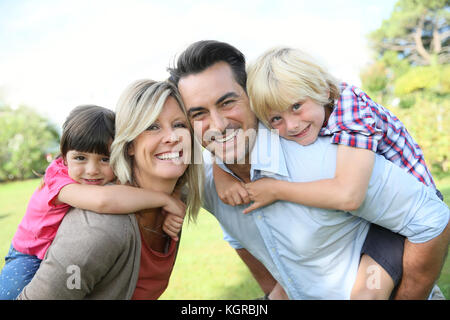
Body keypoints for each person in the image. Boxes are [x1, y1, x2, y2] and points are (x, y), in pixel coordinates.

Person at [168, 40, 450, 299]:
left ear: (252, 98)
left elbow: (430, 218)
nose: (216, 125)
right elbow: (239, 234)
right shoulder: (209, 182)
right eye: (198, 113)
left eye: (227, 102)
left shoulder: (326, 154)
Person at [16, 80, 203, 299]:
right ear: (129, 144)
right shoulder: (99, 229)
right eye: (152, 126)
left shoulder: (178, 198)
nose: (172, 137)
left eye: (179, 125)